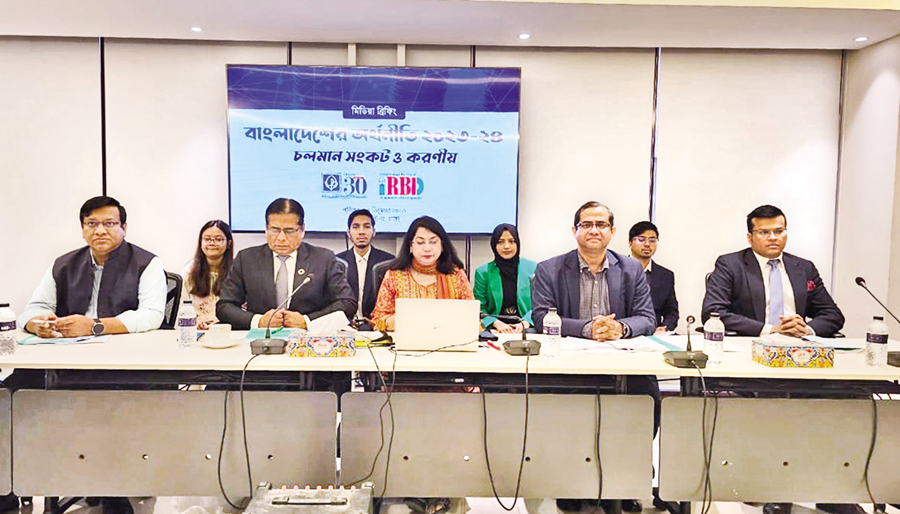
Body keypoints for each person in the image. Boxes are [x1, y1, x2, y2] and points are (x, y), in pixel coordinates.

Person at [531, 201, 658, 514]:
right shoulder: (549, 269)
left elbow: (647, 318)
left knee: (646, 397)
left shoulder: (631, 269)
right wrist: (588, 329)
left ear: (612, 231)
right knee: (565, 410)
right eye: (586, 224)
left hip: (622, 363)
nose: (594, 230)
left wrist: (619, 327)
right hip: (569, 365)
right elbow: (540, 317)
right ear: (575, 230)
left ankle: (625, 478)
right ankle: (571, 481)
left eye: (601, 224)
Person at [19, 196, 166, 338]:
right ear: (83, 229)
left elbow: (151, 314)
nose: (100, 231)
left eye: (109, 223)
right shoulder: (63, 265)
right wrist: (39, 325)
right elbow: (34, 308)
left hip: (126, 346)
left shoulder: (146, 263)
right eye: (92, 224)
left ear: (124, 228)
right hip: (69, 348)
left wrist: (94, 326)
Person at [701, 204, 844, 337]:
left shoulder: (804, 267)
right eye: (764, 232)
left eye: (779, 231)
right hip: (751, 342)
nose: (773, 238)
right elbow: (713, 312)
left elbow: (833, 314)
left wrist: (806, 330)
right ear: (750, 238)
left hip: (798, 345)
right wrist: (771, 330)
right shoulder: (731, 265)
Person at [216, 198, 355, 330]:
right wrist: (258, 321)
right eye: (275, 230)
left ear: (302, 230)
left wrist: (307, 321)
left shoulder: (323, 259)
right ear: (266, 229)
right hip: (261, 338)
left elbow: (347, 303)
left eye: (289, 231)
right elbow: (224, 306)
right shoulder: (246, 259)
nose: (281, 238)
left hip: (307, 339)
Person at [370, 216, 474, 332]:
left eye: (433, 242)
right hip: (406, 340)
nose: (427, 248)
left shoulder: (456, 275)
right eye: (420, 242)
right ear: (410, 246)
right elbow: (378, 320)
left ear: (442, 246)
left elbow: (472, 318)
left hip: (448, 340)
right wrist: (401, 320)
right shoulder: (394, 276)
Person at [473, 223, 537, 333]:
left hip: (527, 328)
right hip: (495, 329)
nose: (506, 246)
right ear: (494, 245)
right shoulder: (483, 272)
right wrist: (495, 323)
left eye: (511, 241)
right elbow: (479, 307)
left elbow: (540, 303)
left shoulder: (532, 268)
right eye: (500, 242)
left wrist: (525, 323)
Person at [336, 209, 394, 323]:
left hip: (377, 324)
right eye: (356, 227)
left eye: (367, 227)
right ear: (348, 233)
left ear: (374, 232)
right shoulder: (337, 262)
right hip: (344, 324)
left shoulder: (388, 262)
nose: (361, 232)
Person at [180, 220, 233, 330]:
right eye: (207, 239)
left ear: (228, 243)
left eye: (218, 239)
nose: (212, 243)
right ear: (201, 242)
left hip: (228, 329)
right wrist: (195, 321)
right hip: (197, 329)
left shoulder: (236, 270)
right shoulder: (189, 271)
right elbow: (180, 307)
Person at [628, 221, 679, 333]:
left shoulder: (666, 275)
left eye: (652, 240)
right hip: (624, 331)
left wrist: (665, 327)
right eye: (641, 239)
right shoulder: (617, 270)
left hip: (654, 333)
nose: (647, 244)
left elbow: (672, 312)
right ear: (630, 243)